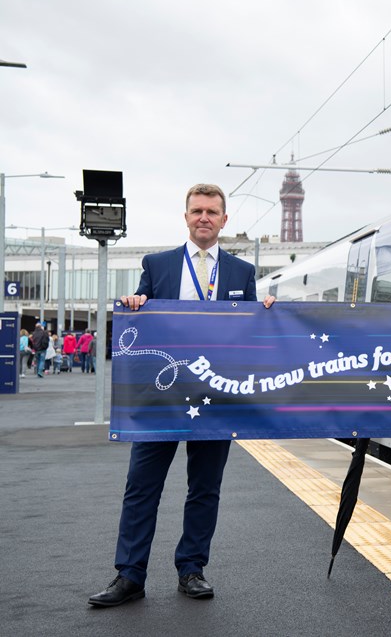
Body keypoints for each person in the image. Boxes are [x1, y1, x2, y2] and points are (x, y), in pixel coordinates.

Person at [89, 183, 276, 608]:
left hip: (215, 398)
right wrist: (137, 301)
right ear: (186, 216)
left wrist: (265, 311)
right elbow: (142, 311)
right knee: (141, 486)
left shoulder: (241, 273)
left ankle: (191, 568)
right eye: (197, 211)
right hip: (163, 396)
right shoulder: (157, 265)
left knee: (204, 488)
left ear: (224, 220)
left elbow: (250, 333)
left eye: (212, 211)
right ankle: (130, 576)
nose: (204, 218)